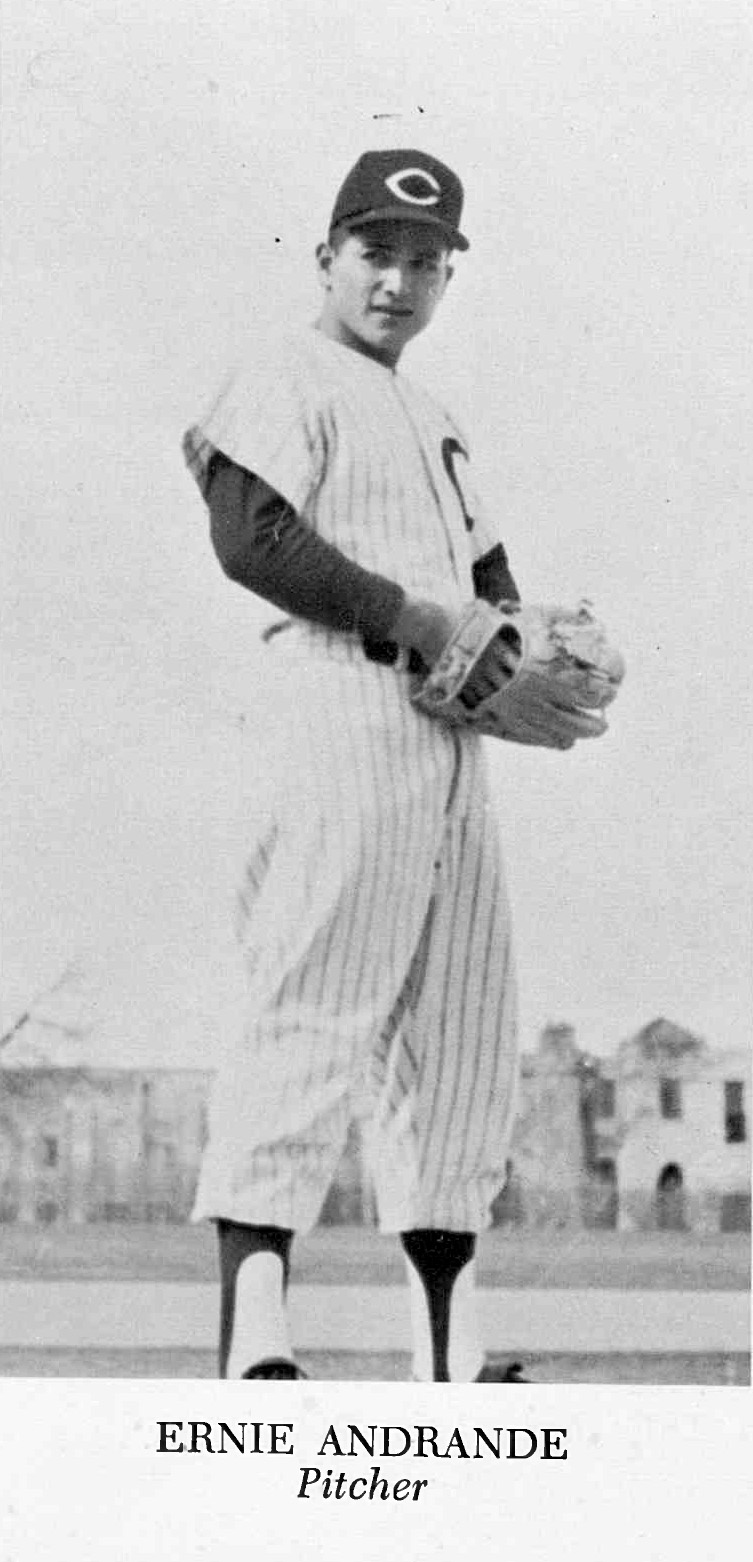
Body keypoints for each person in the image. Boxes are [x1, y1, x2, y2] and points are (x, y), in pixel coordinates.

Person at [183, 148, 590, 1382]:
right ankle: (257, 1340)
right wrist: (426, 619)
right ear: (326, 259)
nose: (400, 281)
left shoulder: (436, 412)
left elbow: (488, 575)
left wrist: (540, 643)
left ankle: (449, 1350)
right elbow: (252, 539)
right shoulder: (283, 369)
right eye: (377, 254)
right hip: (333, 697)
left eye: (426, 262)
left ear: (446, 276)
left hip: (447, 731)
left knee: (464, 1033)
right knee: (311, 999)